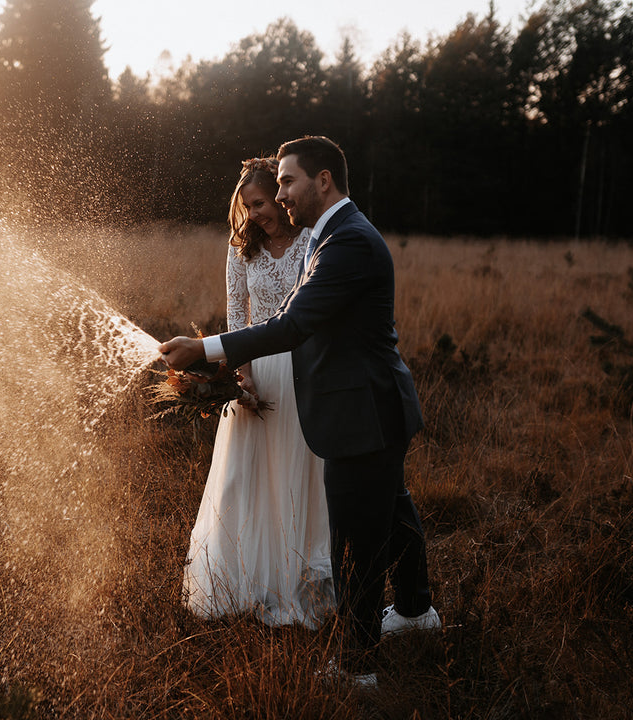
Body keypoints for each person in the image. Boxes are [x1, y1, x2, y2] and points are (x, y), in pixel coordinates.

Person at [160, 136, 439, 686]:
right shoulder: (333, 234)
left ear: (324, 180)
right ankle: (415, 610)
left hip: (361, 412)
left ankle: (357, 666)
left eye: (287, 182)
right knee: (394, 515)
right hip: (369, 405)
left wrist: (206, 348)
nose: (280, 193)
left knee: (356, 536)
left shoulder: (346, 242)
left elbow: (292, 324)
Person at [182, 157, 335, 628]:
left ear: (282, 197)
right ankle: (246, 581)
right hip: (256, 373)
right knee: (246, 479)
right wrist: (239, 375)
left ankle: (300, 583)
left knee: (298, 475)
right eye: (246, 206)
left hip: (304, 372)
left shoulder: (312, 241)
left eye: (262, 203)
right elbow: (236, 314)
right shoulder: (240, 249)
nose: (254, 214)